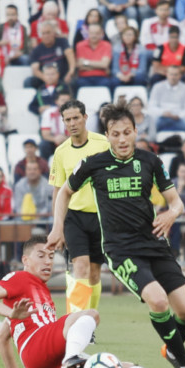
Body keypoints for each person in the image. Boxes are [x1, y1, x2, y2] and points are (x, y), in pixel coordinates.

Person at [46, 102, 185, 368]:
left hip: (154, 244)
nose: (121, 139)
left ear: (136, 132)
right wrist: (57, 226)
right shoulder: (94, 164)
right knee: (158, 301)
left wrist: (172, 213)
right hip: (121, 250)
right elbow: (64, 193)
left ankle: (172, 349)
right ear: (107, 136)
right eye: (115, 134)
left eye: (126, 133)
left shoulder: (150, 161)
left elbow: (176, 201)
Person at [0, 235, 185, 368]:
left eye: (50, 256)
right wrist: (10, 314)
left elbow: (1, 337)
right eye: (41, 256)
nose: (48, 261)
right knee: (90, 314)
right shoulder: (20, 278)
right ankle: (72, 358)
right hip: (39, 347)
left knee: (118, 367)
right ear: (25, 260)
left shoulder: (32, 295)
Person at [49, 100, 109, 314]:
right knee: (80, 267)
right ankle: (77, 323)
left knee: (94, 272)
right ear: (63, 122)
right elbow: (58, 191)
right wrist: (57, 226)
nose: (72, 123)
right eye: (68, 119)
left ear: (85, 118)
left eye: (76, 118)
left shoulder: (103, 144)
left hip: (101, 217)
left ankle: (90, 320)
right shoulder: (61, 152)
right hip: (74, 218)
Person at [27, 21, 76, 88]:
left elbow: (70, 55)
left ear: (53, 33)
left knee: (74, 82)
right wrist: (47, 79)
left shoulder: (62, 41)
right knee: (29, 81)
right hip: (45, 79)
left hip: (63, 77)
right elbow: (35, 70)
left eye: (48, 32)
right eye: (43, 33)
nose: (46, 36)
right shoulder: (36, 50)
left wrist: (71, 72)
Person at [148, 65, 185, 134]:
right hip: (162, 117)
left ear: (180, 76)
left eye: (176, 75)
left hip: (179, 118)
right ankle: (152, 143)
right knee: (152, 122)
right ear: (167, 74)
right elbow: (151, 107)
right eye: (171, 74)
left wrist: (179, 116)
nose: (173, 77)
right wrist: (163, 113)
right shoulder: (157, 87)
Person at [75, 23, 115, 92]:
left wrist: (86, 62)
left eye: (97, 33)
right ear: (88, 33)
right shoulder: (80, 45)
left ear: (102, 34)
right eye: (92, 33)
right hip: (84, 77)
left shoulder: (107, 45)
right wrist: (99, 65)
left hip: (102, 77)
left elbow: (104, 65)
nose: (94, 36)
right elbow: (80, 66)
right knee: (77, 84)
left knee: (109, 83)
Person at [40, 91, 71, 161]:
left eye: (68, 100)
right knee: (44, 145)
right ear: (56, 101)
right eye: (63, 100)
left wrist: (65, 139)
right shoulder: (49, 113)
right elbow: (45, 134)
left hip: (70, 140)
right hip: (53, 141)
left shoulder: (75, 113)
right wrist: (55, 139)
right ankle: (45, 169)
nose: (65, 103)